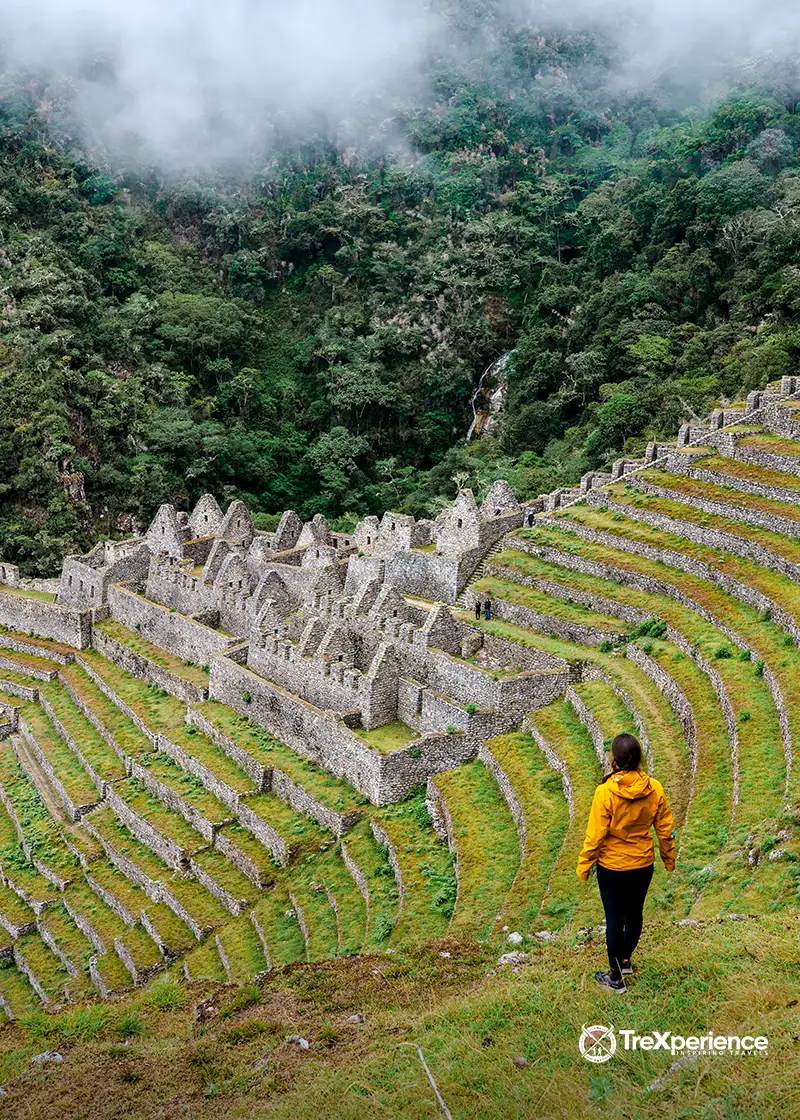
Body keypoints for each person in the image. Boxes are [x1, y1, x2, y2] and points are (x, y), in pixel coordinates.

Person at [576, 733, 676, 993]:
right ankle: (626, 960)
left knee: (614, 919)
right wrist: (668, 857)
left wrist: (584, 865)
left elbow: (595, 834)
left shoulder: (606, 792)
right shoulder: (654, 788)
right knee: (634, 914)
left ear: (615, 760)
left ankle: (616, 978)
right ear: (639, 757)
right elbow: (665, 829)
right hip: (642, 864)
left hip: (612, 867)